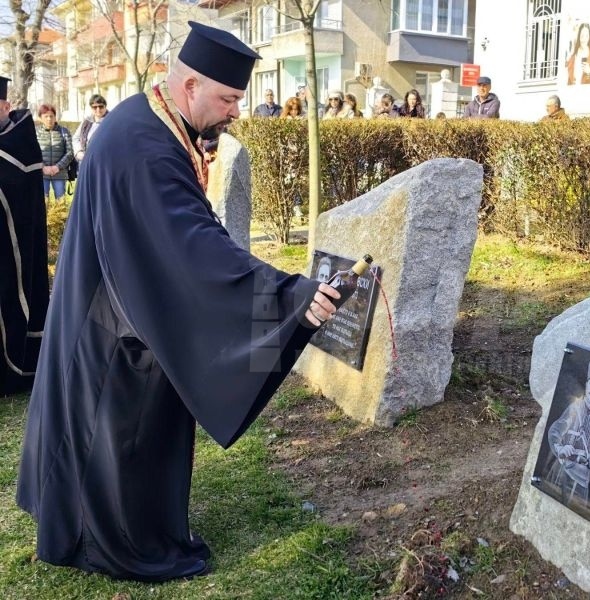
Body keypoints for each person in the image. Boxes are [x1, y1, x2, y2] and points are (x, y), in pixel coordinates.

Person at [16, 21, 341, 583]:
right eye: (229, 97)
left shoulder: (149, 124)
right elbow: (194, 249)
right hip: (114, 334)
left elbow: (188, 234)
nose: (236, 111)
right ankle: (114, 542)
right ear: (190, 86)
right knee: (119, 436)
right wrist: (289, 298)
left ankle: (115, 524)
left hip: (113, 312)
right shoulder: (145, 147)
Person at [0, 75, 49, 397]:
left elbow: (18, 192)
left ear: (5, 105)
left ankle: (12, 369)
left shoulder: (20, 140)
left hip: (12, 244)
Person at [546, 360, 590, 504]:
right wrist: (560, 448)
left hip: (583, 482)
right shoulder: (574, 408)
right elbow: (555, 431)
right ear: (586, 384)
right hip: (562, 471)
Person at [35, 104, 73, 201]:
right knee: (42, 203)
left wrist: (57, 167)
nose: (49, 119)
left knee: (60, 203)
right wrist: (42, 167)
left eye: (51, 116)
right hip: (41, 174)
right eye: (46, 116)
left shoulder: (64, 131)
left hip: (59, 173)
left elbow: (70, 152)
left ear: (55, 117)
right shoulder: (35, 133)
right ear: (40, 118)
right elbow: (32, 153)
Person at [73, 93, 108, 167]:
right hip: (85, 162)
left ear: (105, 107)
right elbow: (75, 138)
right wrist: (79, 152)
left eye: (101, 106)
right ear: (91, 108)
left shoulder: (112, 121)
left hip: (104, 163)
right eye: (95, 107)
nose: (98, 109)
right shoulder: (86, 122)